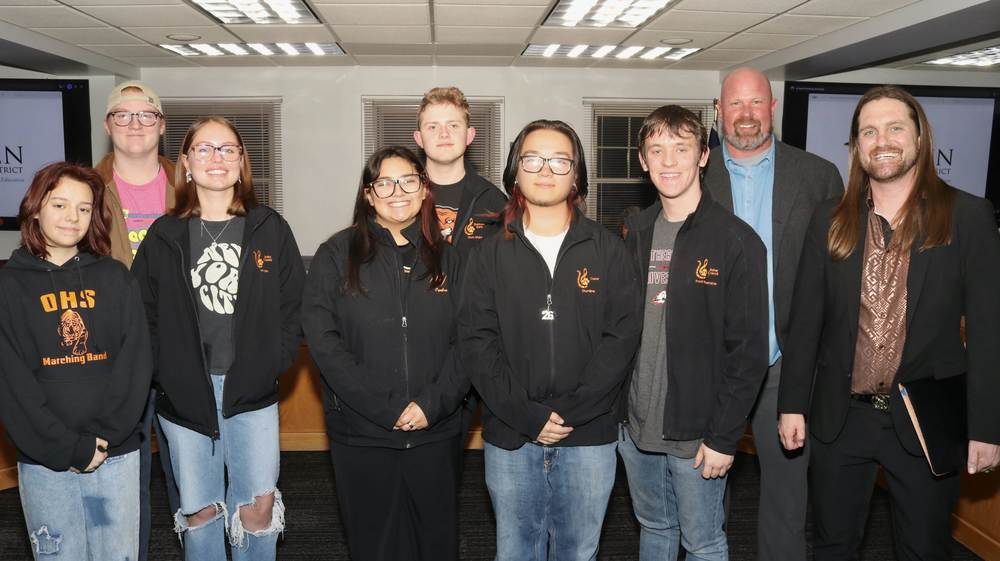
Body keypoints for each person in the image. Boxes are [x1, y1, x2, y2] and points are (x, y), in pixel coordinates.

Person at [777, 85, 1000, 560]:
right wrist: (791, 403)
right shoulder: (829, 220)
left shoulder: (968, 217)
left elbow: (988, 332)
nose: (883, 140)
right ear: (857, 146)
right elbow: (805, 322)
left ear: (920, 138)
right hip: (840, 418)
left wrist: (987, 427)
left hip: (925, 420)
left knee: (923, 549)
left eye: (895, 128)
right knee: (833, 546)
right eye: (869, 131)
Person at [459, 119, 641, 561]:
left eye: (559, 160)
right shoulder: (488, 252)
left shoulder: (608, 249)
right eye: (533, 158)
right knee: (516, 551)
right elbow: (477, 343)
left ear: (575, 174)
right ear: (515, 172)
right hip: (511, 433)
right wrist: (527, 415)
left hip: (589, 433)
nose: (546, 170)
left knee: (578, 552)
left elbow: (621, 339)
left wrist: (569, 412)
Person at [132, 116, 304, 561]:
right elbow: (142, 314)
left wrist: (273, 360)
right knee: (199, 510)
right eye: (204, 149)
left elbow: (293, 306)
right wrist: (163, 370)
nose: (217, 158)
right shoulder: (163, 235)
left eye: (228, 149)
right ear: (186, 162)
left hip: (251, 391)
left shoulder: (270, 227)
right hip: (186, 393)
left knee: (258, 505)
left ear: (242, 162)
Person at [702, 66, 844, 561]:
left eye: (756, 103)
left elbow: (836, 274)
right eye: (735, 104)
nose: (746, 115)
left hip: (786, 364)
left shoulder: (818, 175)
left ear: (773, 108)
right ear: (718, 112)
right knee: (701, 494)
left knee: (787, 497)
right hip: (710, 363)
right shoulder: (693, 172)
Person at [619, 105, 768, 561]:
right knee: (654, 527)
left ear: (703, 155)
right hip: (637, 426)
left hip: (699, 433)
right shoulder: (636, 231)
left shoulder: (736, 241)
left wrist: (725, 437)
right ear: (642, 160)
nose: (668, 161)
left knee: (703, 542)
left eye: (681, 149)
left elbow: (749, 352)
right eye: (656, 150)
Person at [303, 146, 466, 561]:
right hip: (363, 432)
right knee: (373, 545)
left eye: (409, 180)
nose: (398, 191)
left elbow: (472, 339)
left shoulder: (455, 258)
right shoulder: (335, 255)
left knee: (436, 544)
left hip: (437, 427)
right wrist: (384, 407)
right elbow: (324, 341)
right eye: (384, 182)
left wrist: (432, 403)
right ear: (368, 194)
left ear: (424, 189)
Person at [0, 161, 152, 560]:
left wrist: (103, 438)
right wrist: (66, 447)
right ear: (35, 208)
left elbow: (135, 366)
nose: (73, 217)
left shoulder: (117, 278)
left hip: (114, 455)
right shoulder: (9, 286)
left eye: (84, 209)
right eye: (60, 205)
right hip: (46, 460)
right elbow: (11, 383)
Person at [94, 80, 180, 561]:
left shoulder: (190, 184)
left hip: (179, 349)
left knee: (189, 476)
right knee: (124, 479)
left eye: (146, 115)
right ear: (108, 126)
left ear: (161, 126)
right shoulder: (83, 189)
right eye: (122, 115)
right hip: (113, 354)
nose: (134, 125)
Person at [413, 86, 506, 261]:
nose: (444, 134)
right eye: (432, 127)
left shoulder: (493, 201)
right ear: (419, 139)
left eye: (453, 125)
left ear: (469, 136)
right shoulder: (401, 198)